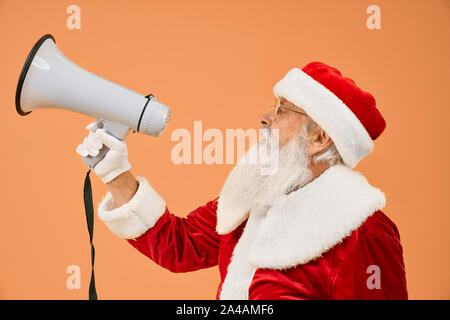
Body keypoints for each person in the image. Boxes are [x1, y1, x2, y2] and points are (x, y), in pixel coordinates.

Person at [76, 62, 408, 299]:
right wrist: (114, 173)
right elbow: (180, 246)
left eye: (281, 110)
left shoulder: (365, 234)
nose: (264, 118)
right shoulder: (254, 198)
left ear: (319, 137)